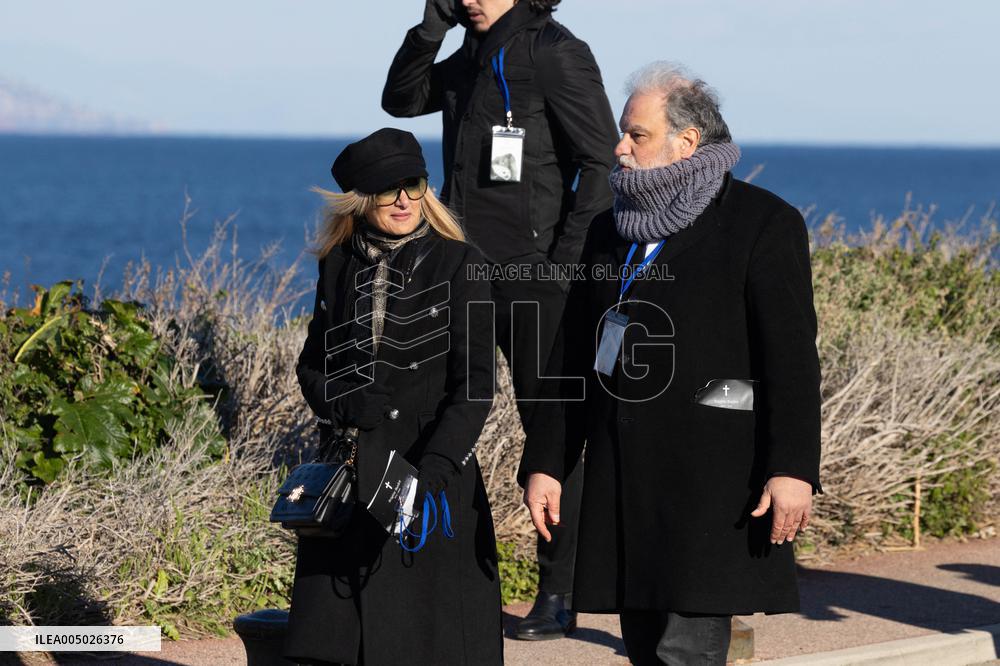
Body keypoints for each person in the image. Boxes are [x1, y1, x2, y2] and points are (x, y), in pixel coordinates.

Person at [519, 62, 823, 665]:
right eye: (623, 133)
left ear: (686, 143)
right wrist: (548, 462)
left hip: (713, 482)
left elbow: (790, 359)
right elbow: (575, 355)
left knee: (687, 650)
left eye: (637, 134)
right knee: (642, 648)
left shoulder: (762, 223)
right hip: (626, 480)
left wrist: (792, 468)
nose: (619, 147)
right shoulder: (611, 230)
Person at [382, 0, 620, 640]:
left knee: (551, 423)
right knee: (433, 409)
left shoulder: (555, 51)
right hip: (461, 269)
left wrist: (560, 264)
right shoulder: (470, 56)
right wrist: (432, 25)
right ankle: (427, 575)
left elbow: (601, 165)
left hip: (535, 278)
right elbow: (400, 101)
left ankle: (560, 590)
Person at [283, 128, 502, 665]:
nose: (404, 200)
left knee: (425, 645)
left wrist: (432, 474)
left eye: (414, 184)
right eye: (387, 189)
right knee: (333, 645)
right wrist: (341, 403)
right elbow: (311, 366)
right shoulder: (336, 264)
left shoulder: (461, 264)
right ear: (361, 198)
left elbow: (474, 387)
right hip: (348, 481)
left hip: (429, 483)